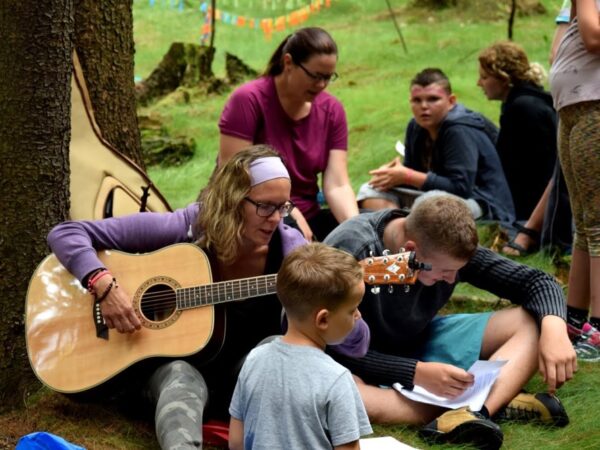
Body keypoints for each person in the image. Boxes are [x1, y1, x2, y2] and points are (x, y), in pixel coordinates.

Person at [46, 146, 370, 449]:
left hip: (242, 384)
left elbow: (355, 344)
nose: (275, 218)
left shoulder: (289, 252)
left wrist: (345, 303)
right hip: (164, 372)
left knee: (274, 349)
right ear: (232, 199)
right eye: (264, 206)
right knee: (180, 376)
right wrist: (104, 286)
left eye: (283, 207)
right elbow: (66, 233)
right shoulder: (189, 228)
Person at [324, 192, 576, 449]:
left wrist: (555, 329)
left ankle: (475, 413)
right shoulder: (351, 249)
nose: (452, 279)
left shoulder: (448, 247)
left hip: (420, 341)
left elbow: (536, 282)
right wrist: (414, 373)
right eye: (445, 272)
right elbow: (333, 346)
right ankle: (494, 398)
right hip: (359, 362)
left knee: (532, 321)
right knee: (345, 393)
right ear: (412, 251)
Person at [218, 27, 358, 242]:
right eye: (315, 76)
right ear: (288, 62)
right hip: (255, 216)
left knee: (375, 227)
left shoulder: (332, 110)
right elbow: (233, 177)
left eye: (328, 77)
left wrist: (357, 229)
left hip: (307, 215)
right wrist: (291, 217)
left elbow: (337, 184)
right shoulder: (248, 100)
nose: (321, 85)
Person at [229, 243, 373, 450]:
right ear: (323, 319)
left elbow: (236, 442)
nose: (358, 315)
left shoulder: (254, 359)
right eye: (352, 310)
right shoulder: (337, 379)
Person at [357, 68, 515, 225]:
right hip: (435, 196)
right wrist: (391, 176)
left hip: (483, 202)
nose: (424, 106)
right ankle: (395, 238)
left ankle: (411, 236)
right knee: (370, 191)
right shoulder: (415, 126)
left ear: (451, 101)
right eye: (417, 100)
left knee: (429, 204)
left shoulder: (459, 129)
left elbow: (461, 187)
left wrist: (407, 176)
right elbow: (415, 172)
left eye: (433, 99)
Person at [549, 0, 600, 360]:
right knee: (583, 220)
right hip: (574, 107)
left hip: (595, 106)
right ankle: (575, 315)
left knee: (597, 222)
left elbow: (593, 35)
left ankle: (598, 325)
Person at [477, 41, 557, 222]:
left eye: (484, 77)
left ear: (503, 79)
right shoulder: (528, 101)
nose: (479, 83)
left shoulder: (523, 109)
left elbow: (532, 172)